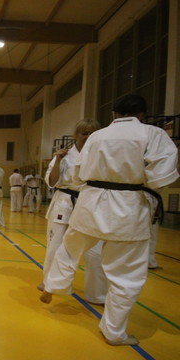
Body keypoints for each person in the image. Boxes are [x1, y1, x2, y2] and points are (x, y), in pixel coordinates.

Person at [40, 95, 179, 346]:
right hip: (128, 207)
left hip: (89, 202)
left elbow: (78, 176)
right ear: (142, 114)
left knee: (69, 248)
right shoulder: (152, 134)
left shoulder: (97, 137)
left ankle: (53, 284)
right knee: (126, 273)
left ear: (114, 114)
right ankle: (113, 331)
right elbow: (161, 178)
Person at [39, 118, 107, 305]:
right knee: (55, 246)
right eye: (84, 133)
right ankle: (49, 283)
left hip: (89, 202)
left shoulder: (100, 154)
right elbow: (51, 182)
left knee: (95, 251)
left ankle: (97, 293)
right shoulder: (65, 155)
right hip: (64, 202)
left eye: (92, 133)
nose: (88, 136)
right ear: (76, 135)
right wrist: (58, 160)